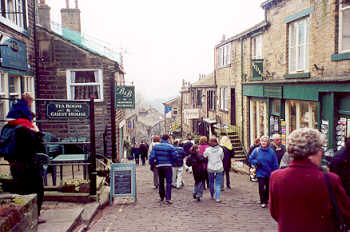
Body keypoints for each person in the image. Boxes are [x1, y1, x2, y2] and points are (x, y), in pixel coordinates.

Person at [269, 128, 350, 232]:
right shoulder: (329, 179)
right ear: (314, 151)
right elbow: (346, 213)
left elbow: (275, 212)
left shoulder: (276, 177)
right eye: (321, 149)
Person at [1, 93, 45, 223]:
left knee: (21, 191)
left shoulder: (7, 128)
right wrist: (37, 132)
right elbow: (37, 146)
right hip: (29, 165)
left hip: (14, 165)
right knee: (37, 190)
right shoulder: (25, 130)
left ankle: (24, 218)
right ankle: (34, 218)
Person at [249, 135, 278, 208]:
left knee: (268, 188)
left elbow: (275, 163)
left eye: (265, 141)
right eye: (262, 141)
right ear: (260, 142)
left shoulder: (271, 152)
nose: (263, 142)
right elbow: (250, 159)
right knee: (261, 187)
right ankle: (262, 201)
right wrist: (256, 162)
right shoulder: (256, 150)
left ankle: (266, 199)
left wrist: (275, 173)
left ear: (268, 142)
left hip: (269, 172)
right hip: (260, 172)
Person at [149, 134, 177, 204]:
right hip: (168, 165)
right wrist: (173, 162)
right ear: (168, 139)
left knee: (161, 181)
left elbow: (152, 156)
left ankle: (161, 196)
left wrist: (152, 164)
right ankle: (168, 198)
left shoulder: (156, 147)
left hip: (159, 165)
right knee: (168, 182)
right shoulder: (170, 147)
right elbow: (175, 156)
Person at [204, 136, 224, 203]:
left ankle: (212, 195)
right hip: (219, 167)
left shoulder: (208, 149)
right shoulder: (220, 149)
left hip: (210, 167)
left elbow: (204, 156)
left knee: (211, 182)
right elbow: (222, 157)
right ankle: (218, 198)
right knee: (218, 183)